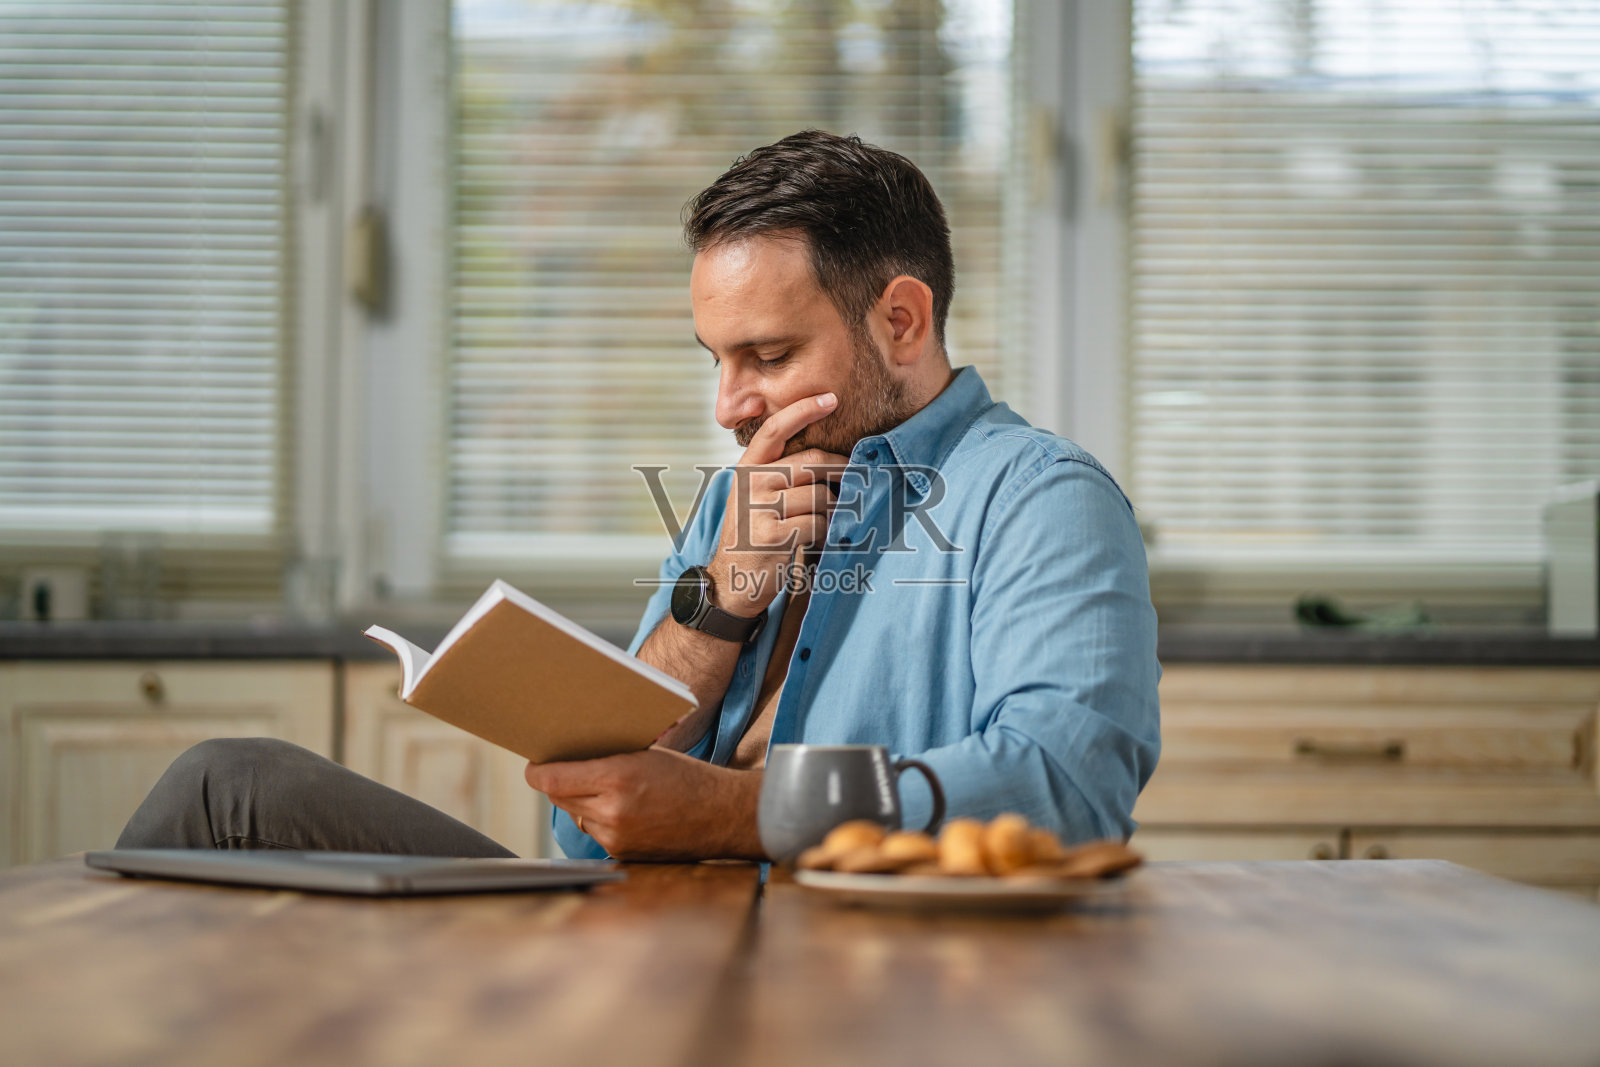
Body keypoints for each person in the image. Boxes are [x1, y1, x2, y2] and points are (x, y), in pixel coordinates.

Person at [116, 130, 1160, 863]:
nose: (727, 404)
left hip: (839, 969)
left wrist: (741, 815)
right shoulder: (735, 502)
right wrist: (718, 602)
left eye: (767, 353)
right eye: (716, 357)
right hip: (630, 930)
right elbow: (586, 825)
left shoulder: (1037, 499)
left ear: (900, 319)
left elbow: (1065, 785)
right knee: (227, 787)